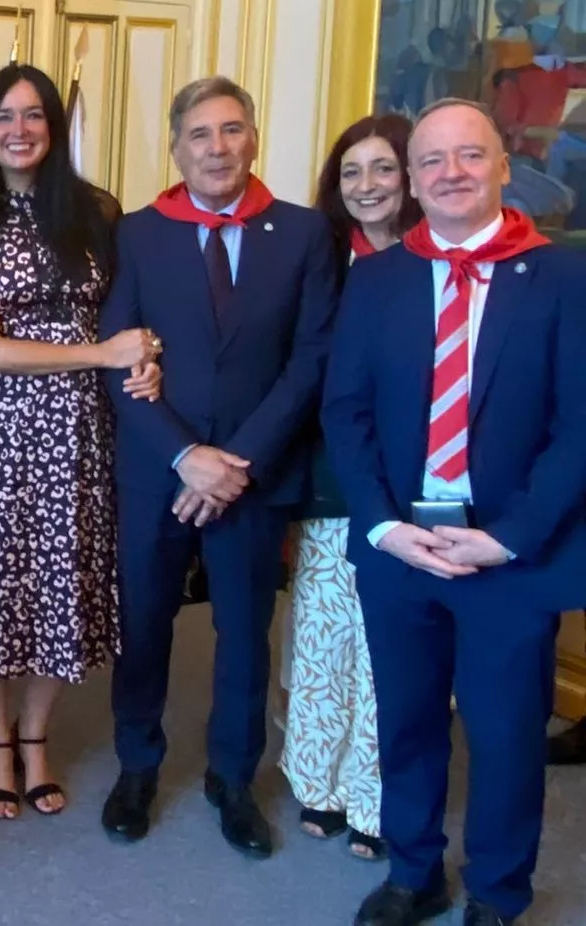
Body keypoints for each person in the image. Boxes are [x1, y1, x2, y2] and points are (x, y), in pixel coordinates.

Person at [323, 98, 586, 926]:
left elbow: (580, 425)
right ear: (413, 180)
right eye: (431, 161)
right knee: (406, 720)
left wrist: (507, 539)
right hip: (400, 549)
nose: (450, 174)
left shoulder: (563, 276)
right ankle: (414, 871)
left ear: (504, 166)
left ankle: (498, 894)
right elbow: (346, 412)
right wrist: (381, 524)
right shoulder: (377, 278)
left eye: (469, 156)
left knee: (506, 739)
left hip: (513, 555)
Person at [98, 75, 336, 858]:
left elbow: (309, 361)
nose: (217, 148)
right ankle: (137, 765)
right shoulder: (137, 233)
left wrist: (236, 463)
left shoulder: (301, 234)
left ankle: (233, 779)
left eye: (232, 130)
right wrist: (183, 454)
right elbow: (116, 356)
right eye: (199, 134)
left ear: (254, 139)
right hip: (156, 469)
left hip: (251, 478)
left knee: (243, 635)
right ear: (176, 147)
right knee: (145, 626)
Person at [0, 64, 162, 821]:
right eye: (3, 116)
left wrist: (144, 361)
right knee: (4, 589)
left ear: (55, 128)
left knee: (63, 587)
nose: (18, 130)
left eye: (33, 116)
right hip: (0, 427)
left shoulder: (98, 211)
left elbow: (131, 313)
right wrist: (101, 354)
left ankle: (37, 736)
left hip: (82, 432)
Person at [280, 112, 422, 863]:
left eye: (383, 169)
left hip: (421, 489)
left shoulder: (442, 262)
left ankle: (375, 796)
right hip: (336, 484)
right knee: (326, 641)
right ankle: (320, 784)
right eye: (351, 173)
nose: (367, 187)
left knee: (390, 651)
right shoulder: (324, 259)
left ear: (412, 176)